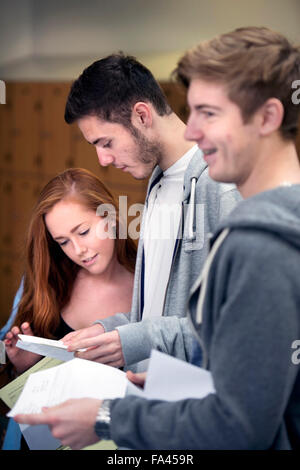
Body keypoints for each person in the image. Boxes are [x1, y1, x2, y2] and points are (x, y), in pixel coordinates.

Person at [15, 26, 300, 450]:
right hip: (172, 403)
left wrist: (110, 413)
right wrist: (112, 334)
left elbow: (242, 414)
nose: (193, 131)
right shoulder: (160, 183)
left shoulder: (236, 207)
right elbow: (179, 313)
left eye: (209, 113)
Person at [60, 53, 241, 372]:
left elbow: (239, 322)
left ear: (142, 115)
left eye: (106, 142)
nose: (102, 159)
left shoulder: (221, 185)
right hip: (154, 392)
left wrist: (135, 341)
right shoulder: (158, 182)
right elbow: (159, 312)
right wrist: (112, 330)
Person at [3, 167, 136, 375]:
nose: (78, 250)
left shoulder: (149, 285)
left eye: (83, 232)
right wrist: (25, 367)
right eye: (63, 242)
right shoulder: (49, 279)